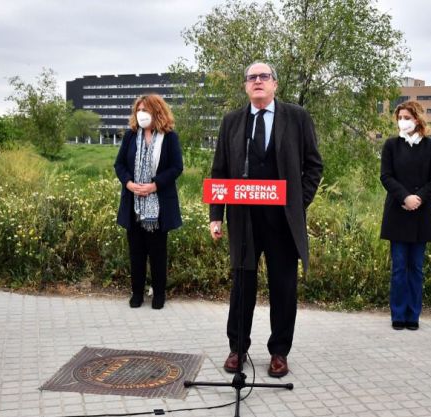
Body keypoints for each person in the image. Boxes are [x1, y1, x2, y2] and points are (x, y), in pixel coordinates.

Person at [209, 62, 323, 378]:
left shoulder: (297, 117)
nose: (258, 81)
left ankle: (279, 352)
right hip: (244, 218)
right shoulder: (232, 121)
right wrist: (216, 215)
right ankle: (238, 348)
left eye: (264, 77)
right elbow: (219, 170)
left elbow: (314, 166)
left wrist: (298, 204)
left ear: (275, 84)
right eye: (251, 78)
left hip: (283, 220)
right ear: (246, 86)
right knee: (242, 286)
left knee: (283, 288)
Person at [114, 94, 183, 310]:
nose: (141, 114)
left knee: (157, 253)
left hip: (158, 205)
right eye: (139, 110)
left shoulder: (169, 137)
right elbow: (119, 165)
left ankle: (159, 294)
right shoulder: (130, 136)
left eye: (146, 110)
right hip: (133, 203)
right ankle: (136, 293)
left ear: (157, 112)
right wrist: (129, 184)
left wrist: (155, 185)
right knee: (136, 252)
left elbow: (176, 167)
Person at [380, 101, 431, 331]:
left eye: (407, 117)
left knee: (416, 267)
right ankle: (398, 314)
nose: (402, 121)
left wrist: (418, 198)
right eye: (400, 117)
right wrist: (404, 197)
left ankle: (413, 314)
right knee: (398, 267)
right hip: (398, 212)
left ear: (417, 119)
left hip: (421, 214)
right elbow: (386, 176)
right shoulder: (391, 146)